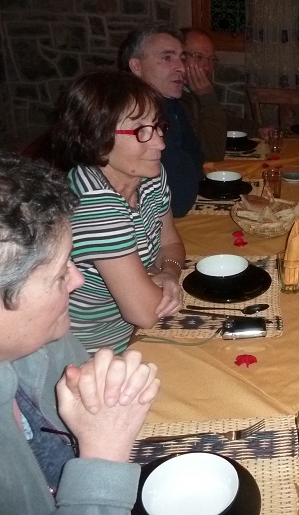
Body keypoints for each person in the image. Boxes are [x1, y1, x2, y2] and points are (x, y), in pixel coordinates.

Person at [0, 148, 161, 514]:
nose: (78, 279)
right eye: (58, 276)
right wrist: (104, 455)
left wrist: (102, 392)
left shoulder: (40, 338)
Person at [52, 70, 185, 354]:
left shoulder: (148, 175)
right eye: (140, 131)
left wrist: (169, 274)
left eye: (157, 126)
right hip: (95, 356)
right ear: (96, 139)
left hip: (136, 335)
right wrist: (152, 281)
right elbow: (146, 312)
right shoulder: (94, 204)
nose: (160, 143)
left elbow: (170, 243)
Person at [118, 23, 208, 217]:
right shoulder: (132, 118)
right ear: (136, 66)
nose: (182, 68)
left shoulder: (171, 105)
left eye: (181, 58)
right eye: (167, 58)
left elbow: (198, 159)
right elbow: (178, 201)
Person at [181, 27, 264, 161]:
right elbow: (212, 152)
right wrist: (207, 97)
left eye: (211, 59)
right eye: (199, 57)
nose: (207, 67)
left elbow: (223, 121)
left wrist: (256, 129)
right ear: (181, 58)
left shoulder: (190, 90)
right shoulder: (175, 99)